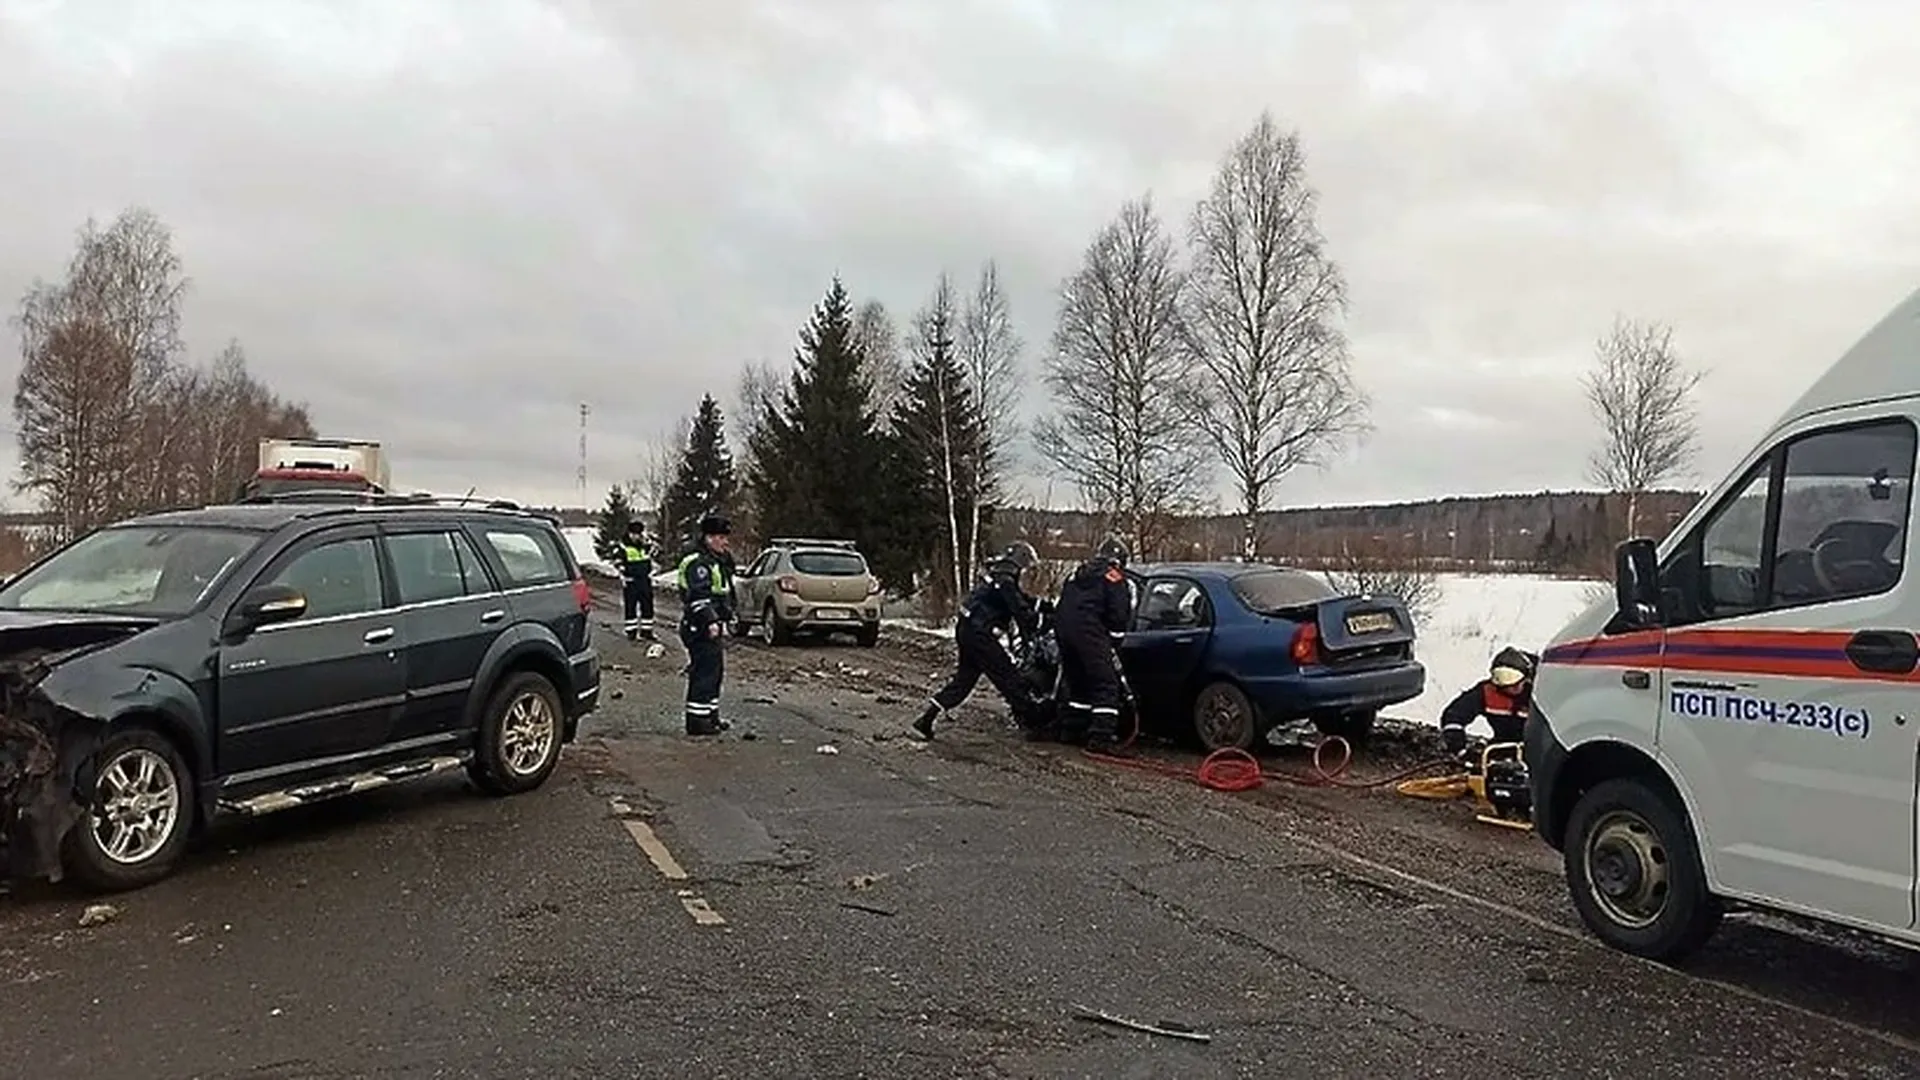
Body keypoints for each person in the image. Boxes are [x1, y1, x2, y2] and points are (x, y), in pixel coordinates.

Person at [910, 541, 1045, 741]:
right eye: (1025, 568)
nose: (1025, 572)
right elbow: (1019, 609)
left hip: (966, 629)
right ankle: (1032, 720)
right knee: (1006, 674)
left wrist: (1043, 605)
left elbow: (1018, 599)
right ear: (1020, 563)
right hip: (980, 633)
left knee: (964, 680)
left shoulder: (997, 575)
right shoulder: (1005, 580)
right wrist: (1042, 620)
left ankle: (926, 719)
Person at [1051, 536, 1134, 753]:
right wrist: (1115, 642)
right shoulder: (1114, 577)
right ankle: (1101, 737)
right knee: (1106, 684)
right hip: (1089, 633)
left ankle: (1072, 730)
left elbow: (1064, 603)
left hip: (1064, 632)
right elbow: (1118, 613)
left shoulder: (1077, 574)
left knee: (1078, 683)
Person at [676, 513, 737, 736]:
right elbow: (699, 597)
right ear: (709, 538)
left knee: (714, 672)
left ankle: (710, 716)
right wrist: (711, 620)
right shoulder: (698, 563)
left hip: (712, 626)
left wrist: (726, 618)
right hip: (699, 626)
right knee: (704, 672)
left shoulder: (716, 560)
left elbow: (723, 594)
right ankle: (697, 722)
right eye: (721, 537)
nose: (725, 541)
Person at [1439, 645, 1538, 757]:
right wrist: (1458, 747)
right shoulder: (1487, 692)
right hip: (1502, 749)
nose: (1510, 686)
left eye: (1515, 679)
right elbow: (1454, 714)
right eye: (1501, 678)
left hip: (1539, 753)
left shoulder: (1540, 694)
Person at [616, 521, 657, 641]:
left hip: (645, 580)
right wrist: (624, 571)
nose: (636, 536)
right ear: (629, 534)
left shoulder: (645, 545)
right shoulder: (623, 546)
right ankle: (631, 632)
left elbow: (654, 554)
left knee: (648, 606)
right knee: (631, 606)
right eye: (634, 534)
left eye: (638, 534)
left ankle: (647, 631)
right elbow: (618, 562)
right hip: (631, 581)